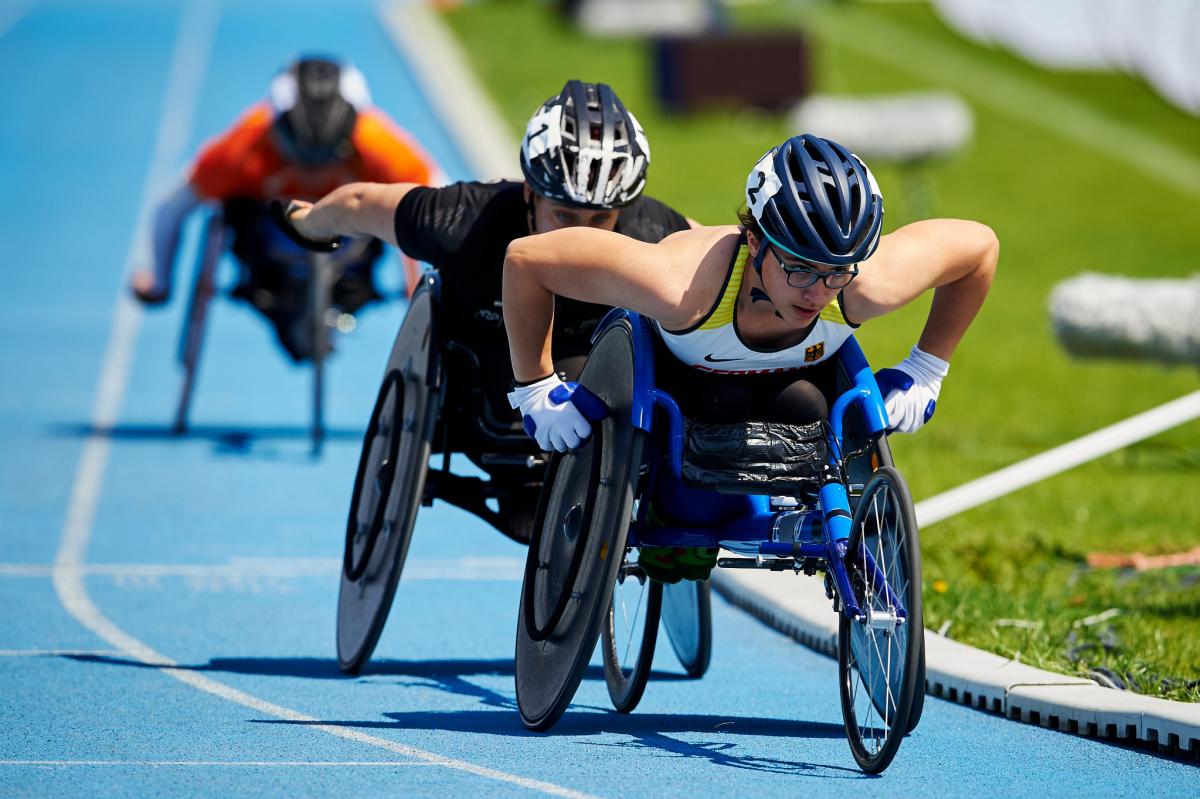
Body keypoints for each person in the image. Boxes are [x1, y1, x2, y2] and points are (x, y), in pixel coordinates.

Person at [501, 132, 999, 579]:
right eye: (800, 269)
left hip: (794, 395)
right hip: (683, 398)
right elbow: (527, 259)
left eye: (836, 271)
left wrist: (927, 368)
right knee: (723, 409)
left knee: (807, 406)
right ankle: (675, 507)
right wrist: (535, 386)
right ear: (756, 240)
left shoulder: (865, 285)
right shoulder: (681, 285)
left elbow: (979, 248)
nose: (818, 292)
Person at [279, 79, 694, 537]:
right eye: (565, 216)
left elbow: (723, 259)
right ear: (530, 195)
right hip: (482, 388)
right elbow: (361, 203)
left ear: (626, 209)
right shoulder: (464, 219)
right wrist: (308, 222)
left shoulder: (654, 230)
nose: (583, 235)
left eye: (601, 220)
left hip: (592, 386)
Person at [130, 56, 440, 361]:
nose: (313, 174)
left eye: (328, 156)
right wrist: (160, 281)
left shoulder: (378, 144)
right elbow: (173, 207)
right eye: (300, 156)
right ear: (277, 132)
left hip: (352, 262)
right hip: (267, 267)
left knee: (395, 209)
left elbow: (443, 209)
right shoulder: (243, 145)